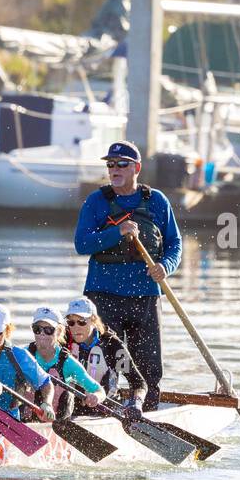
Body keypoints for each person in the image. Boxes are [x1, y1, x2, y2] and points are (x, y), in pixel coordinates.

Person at [73, 140, 182, 410]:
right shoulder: (97, 202)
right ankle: (94, 411)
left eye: (122, 164)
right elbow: (81, 245)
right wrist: (117, 231)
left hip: (145, 297)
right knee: (102, 364)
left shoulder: (156, 201)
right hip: (103, 296)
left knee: (148, 369)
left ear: (137, 168)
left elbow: (175, 244)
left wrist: (165, 266)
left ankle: (147, 412)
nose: (114, 169)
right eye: (110, 164)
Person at [64, 296, 148, 420]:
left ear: (93, 320)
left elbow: (138, 383)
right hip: (70, 411)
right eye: (71, 322)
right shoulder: (63, 341)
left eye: (81, 322)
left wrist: (136, 403)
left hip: (105, 412)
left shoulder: (112, 345)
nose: (76, 327)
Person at [0, 304, 53, 421]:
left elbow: (46, 383)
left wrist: (47, 403)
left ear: (8, 329)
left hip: (9, 420)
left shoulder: (20, 356)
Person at [26, 306, 103, 421]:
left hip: (58, 423)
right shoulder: (23, 355)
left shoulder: (67, 362)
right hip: (26, 422)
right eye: (37, 329)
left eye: (48, 330)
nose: (42, 333)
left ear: (59, 331)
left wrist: (96, 397)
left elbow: (99, 390)